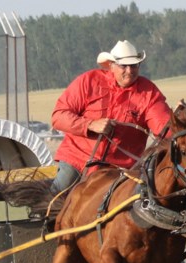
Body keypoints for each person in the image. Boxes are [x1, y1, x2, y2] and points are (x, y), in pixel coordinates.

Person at [49, 39, 172, 193]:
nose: (129, 70)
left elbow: (165, 128)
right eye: (123, 66)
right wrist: (90, 125)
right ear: (111, 65)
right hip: (78, 160)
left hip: (120, 169)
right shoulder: (88, 81)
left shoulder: (149, 93)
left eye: (133, 65)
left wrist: (181, 130)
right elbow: (58, 116)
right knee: (56, 198)